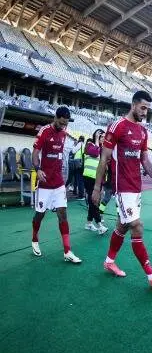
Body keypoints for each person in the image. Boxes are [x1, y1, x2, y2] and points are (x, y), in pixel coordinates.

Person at [92, 90, 152, 291]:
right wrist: (96, 188)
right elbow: (104, 159)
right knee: (137, 225)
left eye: (148, 109)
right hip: (121, 187)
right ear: (134, 104)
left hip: (136, 188)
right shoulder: (117, 127)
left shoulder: (143, 132)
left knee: (122, 226)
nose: (145, 112)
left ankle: (109, 261)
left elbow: (145, 161)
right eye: (143, 107)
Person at [31, 106, 82, 263]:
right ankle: (34, 240)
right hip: (45, 183)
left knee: (63, 215)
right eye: (61, 123)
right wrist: (38, 169)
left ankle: (67, 251)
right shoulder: (44, 131)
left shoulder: (64, 133)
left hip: (59, 184)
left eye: (65, 123)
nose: (63, 126)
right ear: (55, 118)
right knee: (40, 215)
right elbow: (35, 153)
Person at [83, 129, 108, 234]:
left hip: (97, 179)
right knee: (94, 201)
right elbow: (94, 152)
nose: (103, 139)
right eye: (101, 136)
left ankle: (89, 223)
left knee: (93, 201)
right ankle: (99, 224)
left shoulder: (102, 148)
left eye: (103, 137)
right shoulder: (90, 145)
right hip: (89, 177)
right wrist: (97, 140)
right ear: (96, 136)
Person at [72, 135, 86, 200]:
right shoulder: (84, 145)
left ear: (79, 139)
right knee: (80, 179)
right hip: (82, 163)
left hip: (78, 163)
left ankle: (81, 195)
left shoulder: (79, 144)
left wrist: (74, 145)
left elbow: (73, 151)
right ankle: (80, 194)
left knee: (78, 179)